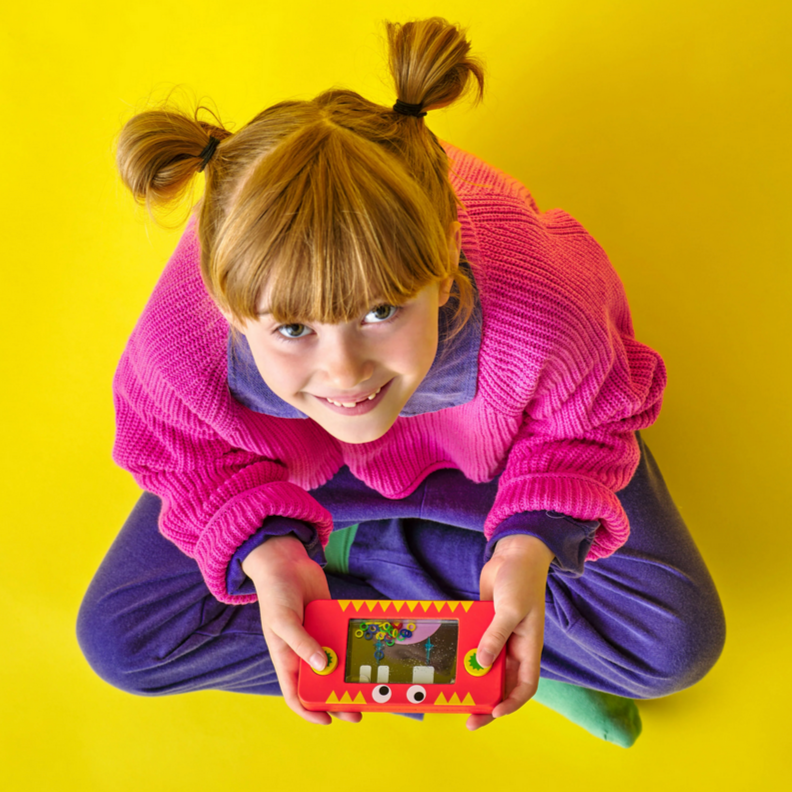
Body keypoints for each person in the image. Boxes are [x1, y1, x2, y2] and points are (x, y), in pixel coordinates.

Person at [76, 17, 725, 747]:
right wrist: (269, 553)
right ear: (227, 309)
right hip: (289, 487)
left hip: (503, 467)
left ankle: (432, 593)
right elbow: (182, 454)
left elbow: (589, 423)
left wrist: (529, 548)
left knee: (676, 643)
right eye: (292, 331)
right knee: (121, 639)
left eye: (381, 312)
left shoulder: (547, 302)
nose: (343, 374)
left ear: (445, 264)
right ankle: (497, 645)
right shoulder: (181, 346)